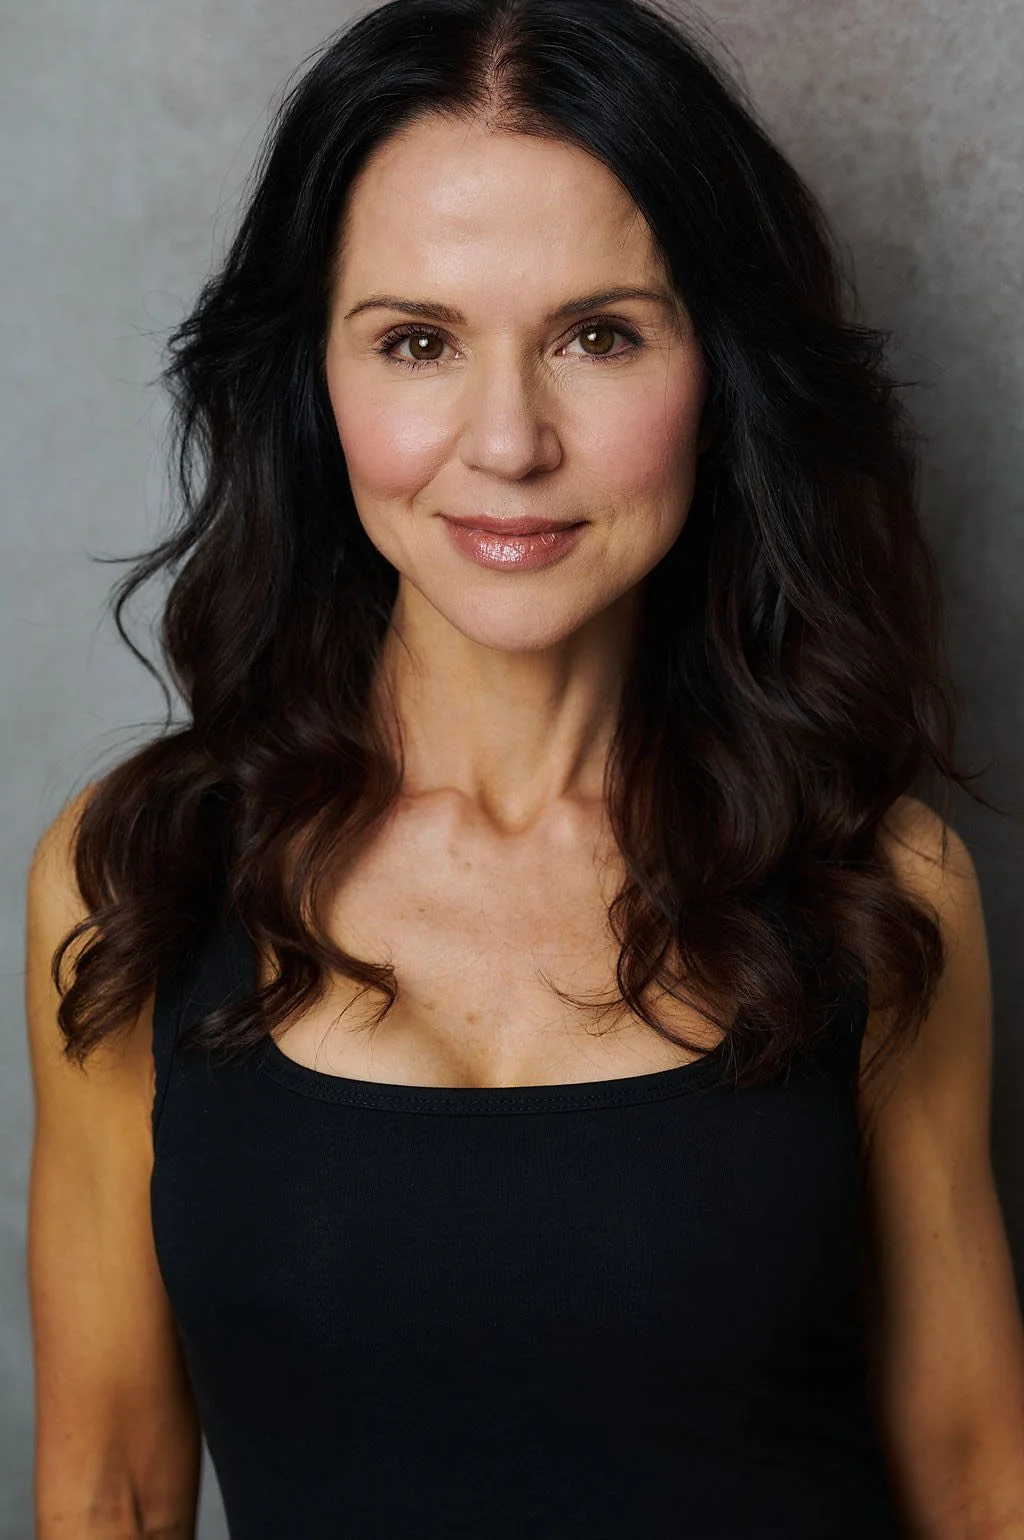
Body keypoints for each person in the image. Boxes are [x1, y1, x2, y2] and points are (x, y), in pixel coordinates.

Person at [24, 0, 1024, 1535]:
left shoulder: (878, 883)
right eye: (418, 341)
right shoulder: (136, 878)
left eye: (598, 336)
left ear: (718, 371)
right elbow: (112, 1488)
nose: (509, 440)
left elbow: (978, 1480)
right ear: (313, 380)